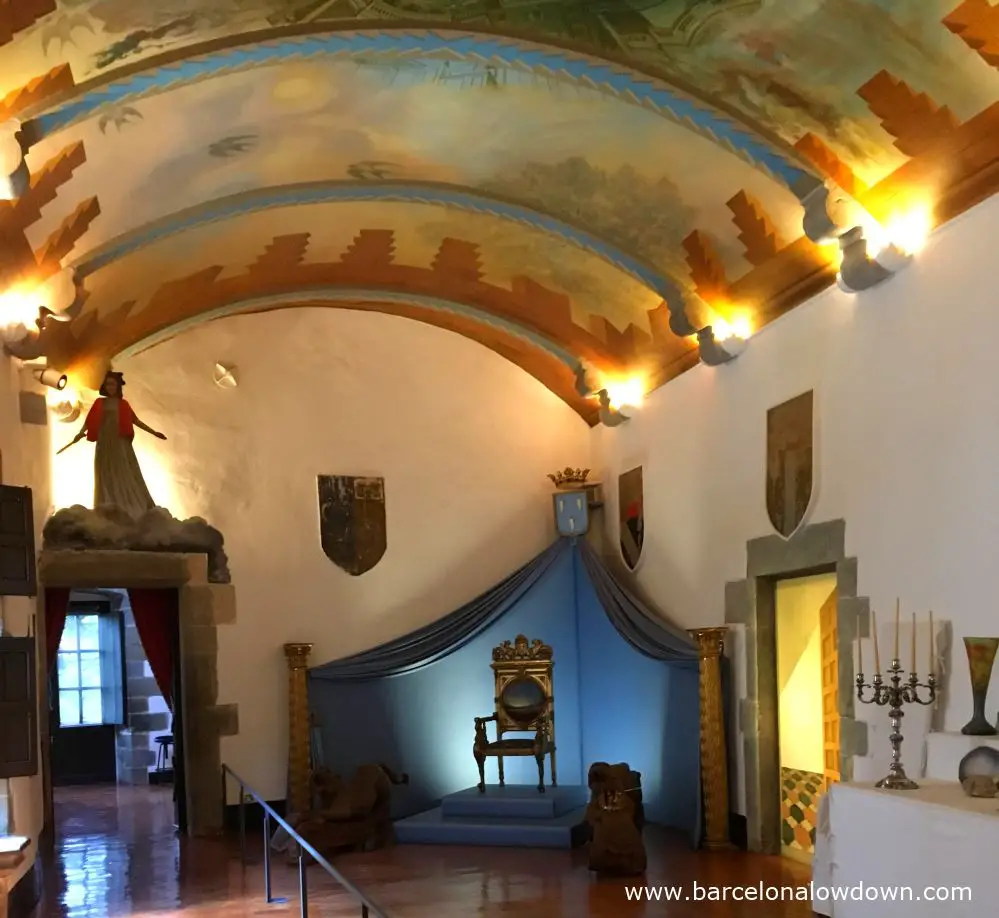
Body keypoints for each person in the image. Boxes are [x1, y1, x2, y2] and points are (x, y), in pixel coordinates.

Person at [58, 370, 167, 518]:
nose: (110, 387)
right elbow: (89, 422)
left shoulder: (123, 404)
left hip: (120, 442)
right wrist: (79, 433)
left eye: (113, 384)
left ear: (117, 387)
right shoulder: (99, 403)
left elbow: (136, 421)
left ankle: (127, 504)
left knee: (124, 470)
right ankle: (107, 503)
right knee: (105, 472)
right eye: (108, 384)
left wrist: (154, 432)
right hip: (104, 442)